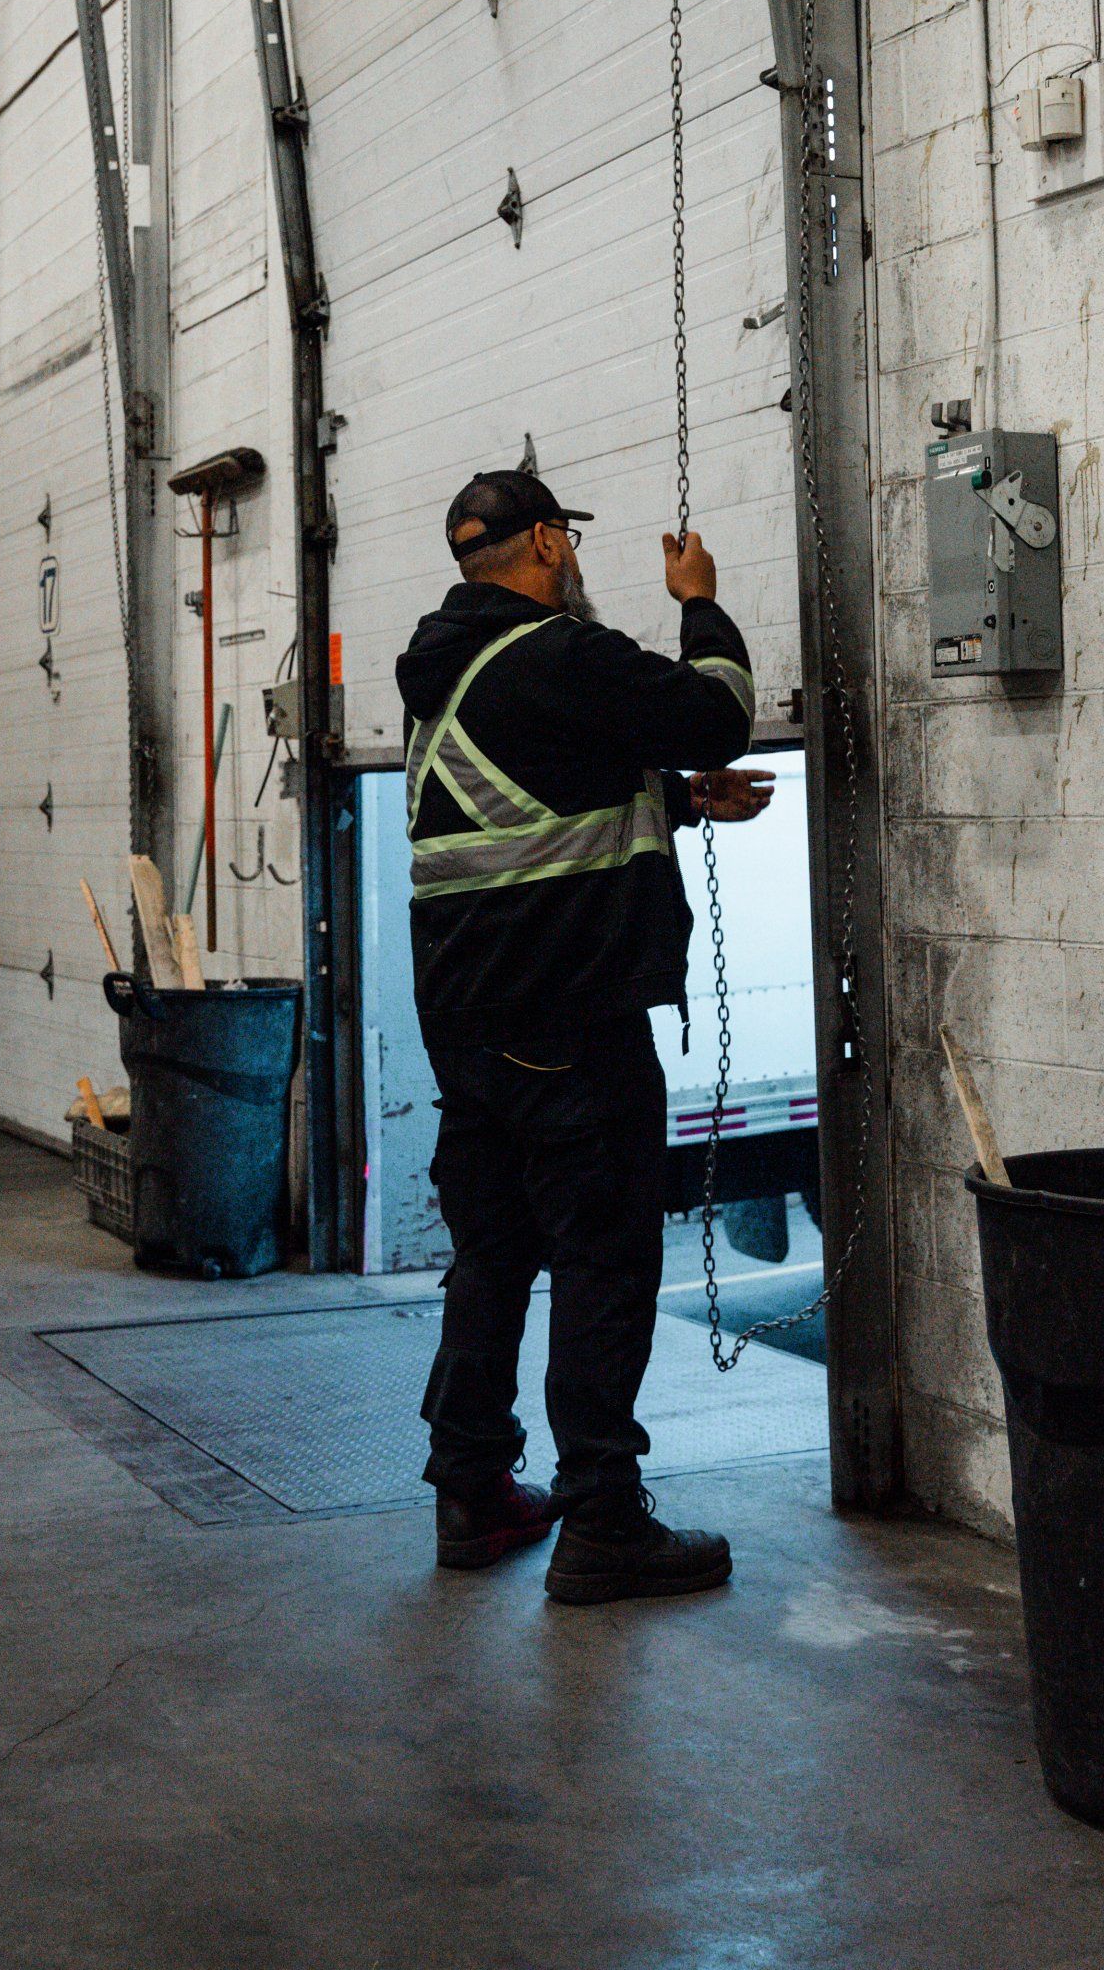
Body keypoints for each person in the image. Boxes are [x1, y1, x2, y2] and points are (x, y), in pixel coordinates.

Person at [396, 469, 773, 1603]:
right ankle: (603, 1517)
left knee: (496, 1255)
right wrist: (699, 599)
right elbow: (716, 706)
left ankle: (471, 1490)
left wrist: (676, 801)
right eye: (571, 545)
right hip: (569, 1018)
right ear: (552, 545)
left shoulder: (446, 671)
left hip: (471, 1027)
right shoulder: (559, 653)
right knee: (605, 1260)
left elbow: (529, 803)